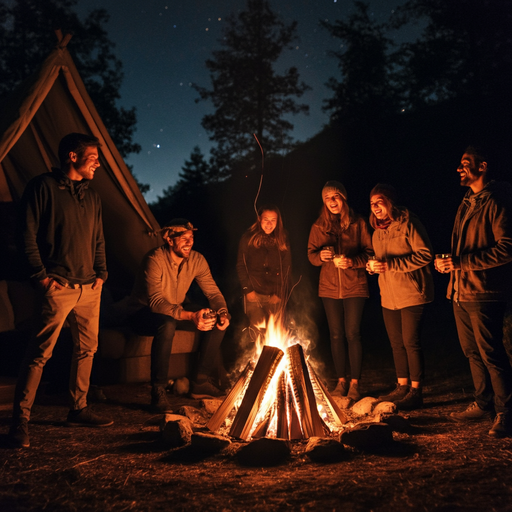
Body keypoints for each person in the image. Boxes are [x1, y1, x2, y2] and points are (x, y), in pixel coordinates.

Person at [9, 133, 113, 449]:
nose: (98, 161)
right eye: (92, 156)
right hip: (59, 286)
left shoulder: (91, 196)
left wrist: (102, 273)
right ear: (72, 156)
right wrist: (40, 277)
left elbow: (98, 239)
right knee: (40, 353)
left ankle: (78, 408)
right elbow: (25, 235)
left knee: (87, 349)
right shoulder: (42, 188)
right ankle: (20, 421)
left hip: (89, 288)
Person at [435, 146, 512, 437]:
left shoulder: (497, 200)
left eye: (465, 163)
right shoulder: (467, 201)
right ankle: (484, 403)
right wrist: (449, 265)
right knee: (472, 352)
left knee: (492, 354)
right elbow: (461, 249)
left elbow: (507, 247)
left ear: (483, 166)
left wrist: (462, 262)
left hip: (484, 290)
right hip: (460, 290)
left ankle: (506, 413)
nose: (459, 168)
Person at [129, 218, 230, 412]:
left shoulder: (197, 260)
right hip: (143, 312)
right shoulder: (154, 259)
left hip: (175, 310)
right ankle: (158, 390)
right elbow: (156, 302)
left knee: (215, 319)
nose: (189, 242)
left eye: (191, 237)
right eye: (183, 238)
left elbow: (214, 293)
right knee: (167, 324)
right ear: (169, 239)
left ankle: (200, 382)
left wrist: (223, 313)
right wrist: (191, 316)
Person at [368, 184, 434, 410]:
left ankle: (416, 391)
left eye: (379, 202)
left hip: (412, 292)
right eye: (372, 204)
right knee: (396, 344)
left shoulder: (409, 223)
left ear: (389, 202)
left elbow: (425, 255)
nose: (375, 207)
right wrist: (372, 266)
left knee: (410, 342)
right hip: (388, 295)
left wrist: (390, 265)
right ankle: (401, 386)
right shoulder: (377, 232)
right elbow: (380, 261)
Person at [308, 181, 373, 401]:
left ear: (343, 198)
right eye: (328, 198)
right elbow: (311, 255)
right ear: (323, 202)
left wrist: (352, 262)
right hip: (329, 288)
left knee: (352, 333)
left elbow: (370, 253)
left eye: (336, 197)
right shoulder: (318, 226)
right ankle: (341, 381)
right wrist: (320, 257)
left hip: (355, 285)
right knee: (335, 335)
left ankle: (355, 383)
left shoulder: (358, 223)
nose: (332, 202)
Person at [237, 205, 292, 340]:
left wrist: (279, 293)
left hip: (275, 295)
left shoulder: (282, 239)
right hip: (254, 294)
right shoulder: (248, 238)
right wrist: (248, 290)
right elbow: (241, 265)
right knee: (256, 333)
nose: (269, 224)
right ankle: (256, 360)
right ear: (259, 219)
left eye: (273, 220)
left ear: (278, 221)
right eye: (266, 219)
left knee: (275, 333)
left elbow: (286, 268)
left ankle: (274, 360)